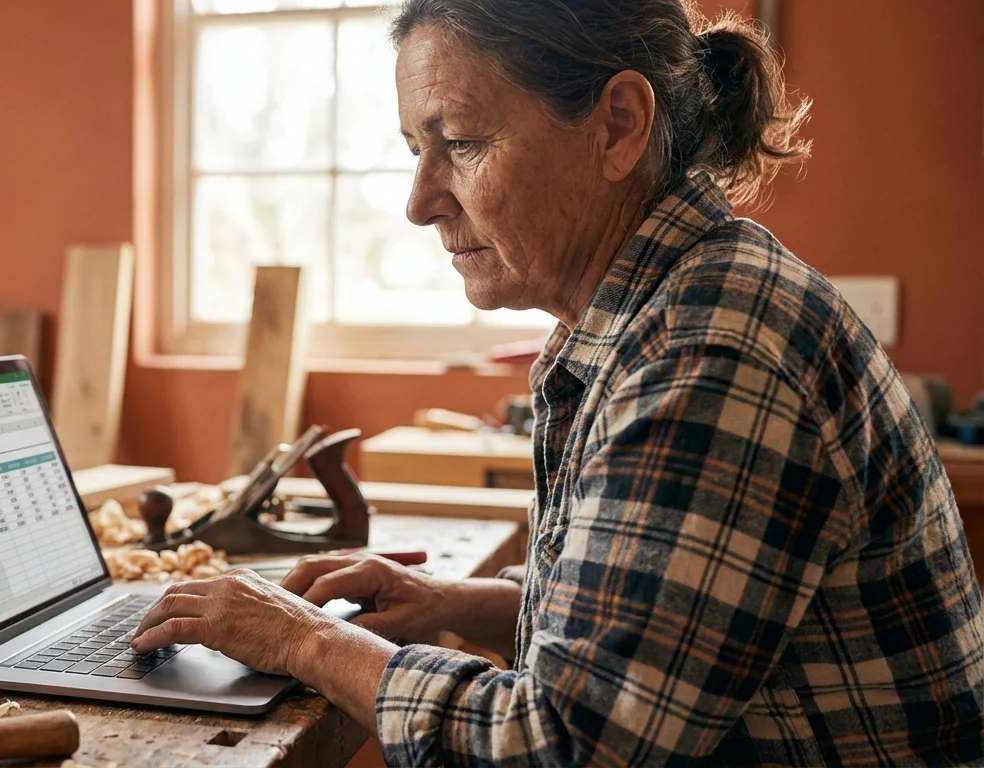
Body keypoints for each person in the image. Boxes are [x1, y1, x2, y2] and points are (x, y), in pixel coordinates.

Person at [132, 0, 984, 764]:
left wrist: (308, 641)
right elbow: (652, 624)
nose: (420, 201)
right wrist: (455, 602)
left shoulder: (711, 350)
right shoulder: (660, 310)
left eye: (459, 143)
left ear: (617, 125)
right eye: (414, 150)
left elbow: (569, 745)